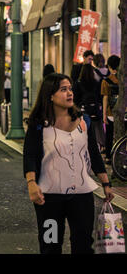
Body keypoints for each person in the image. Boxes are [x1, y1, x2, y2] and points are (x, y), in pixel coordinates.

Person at [23, 73, 114, 254]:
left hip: (81, 194)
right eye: (63, 90)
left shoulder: (83, 121)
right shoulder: (39, 124)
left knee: (83, 245)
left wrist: (106, 183)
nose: (69, 93)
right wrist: (31, 184)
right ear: (50, 95)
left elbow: (94, 154)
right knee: (51, 245)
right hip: (48, 197)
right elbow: (30, 155)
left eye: (70, 89)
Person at [74, 64, 104, 149]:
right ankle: (98, 145)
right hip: (95, 109)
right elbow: (99, 97)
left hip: (83, 110)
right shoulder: (96, 83)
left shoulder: (78, 83)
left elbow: (75, 99)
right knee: (96, 129)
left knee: (85, 129)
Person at [101, 55, 121, 165]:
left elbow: (105, 97)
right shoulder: (123, 80)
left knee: (109, 135)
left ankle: (108, 157)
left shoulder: (106, 81)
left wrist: (104, 114)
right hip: (123, 112)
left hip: (110, 112)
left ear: (109, 66)